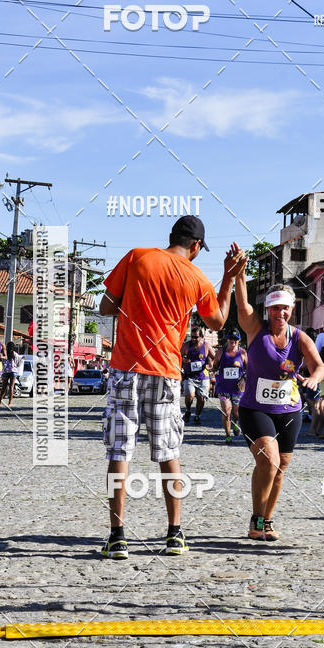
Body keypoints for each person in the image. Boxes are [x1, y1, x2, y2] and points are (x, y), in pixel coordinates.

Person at [98, 215, 245, 559]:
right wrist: (229, 277)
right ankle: (174, 535)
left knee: (120, 453)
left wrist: (131, 303)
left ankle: (118, 536)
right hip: (166, 372)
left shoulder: (137, 257)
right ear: (196, 246)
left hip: (125, 368)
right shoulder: (196, 276)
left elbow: (106, 306)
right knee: (169, 455)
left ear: (172, 237)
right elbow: (218, 320)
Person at [234, 279, 324, 542]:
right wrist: (239, 275)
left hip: (289, 410)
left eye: (285, 308)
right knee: (268, 461)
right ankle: (256, 518)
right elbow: (242, 304)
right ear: (268, 309)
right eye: (275, 308)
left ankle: (266, 519)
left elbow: (318, 366)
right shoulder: (255, 328)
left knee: (279, 467)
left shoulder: (299, 337)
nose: (280, 313)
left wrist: (313, 379)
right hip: (254, 408)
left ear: (292, 308)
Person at [213, 330, 247, 444]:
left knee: (236, 413)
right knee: (226, 411)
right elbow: (215, 366)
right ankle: (228, 435)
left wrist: (244, 378)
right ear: (227, 340)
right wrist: (210, 367)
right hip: (223, 387)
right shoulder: (220, 352)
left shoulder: (242, 353)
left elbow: (249, 369)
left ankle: (235, 423)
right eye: (231, 339)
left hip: (237, 388)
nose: (233, 341)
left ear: (239, 341)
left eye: (236, 339)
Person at [181, 326, 215, 424]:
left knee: (201, 398)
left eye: (196, 337)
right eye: (192, 337)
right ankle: (188, 410)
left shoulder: (206, 346)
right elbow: (178, 356)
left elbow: (215, 357)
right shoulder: (187, 345)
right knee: (190, 396)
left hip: (202, 376)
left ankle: (197, 415)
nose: (193, 339)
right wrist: (183, 360)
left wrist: (211, 364)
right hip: (189, 376)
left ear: (201, 337)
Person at [0, 341, 21, 406]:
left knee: (3, 387)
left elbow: (3, 362)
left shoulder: (5, 354)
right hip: (13, 371)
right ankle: (10, 402)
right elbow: (18, 364)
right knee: (11, 387)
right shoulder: (16, 354)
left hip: (6, 371)